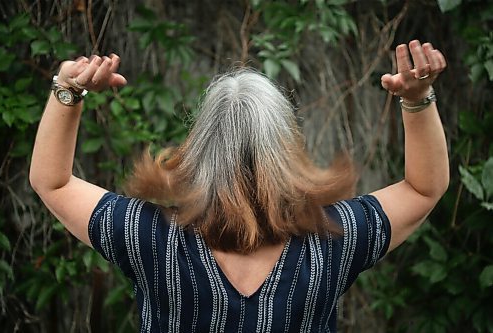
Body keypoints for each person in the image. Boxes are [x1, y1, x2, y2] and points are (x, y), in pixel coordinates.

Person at [30, 40, 448, 332]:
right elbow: (423, 189)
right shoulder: (332, 239)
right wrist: (416, 99)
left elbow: (52, 183)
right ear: (286, 152)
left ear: (198, 151)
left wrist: (68, 89)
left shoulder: (149, 236)